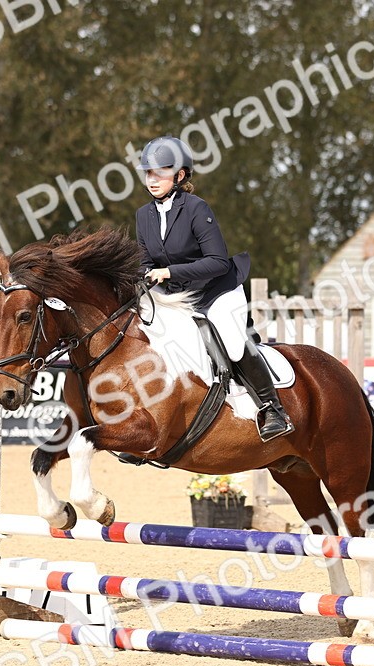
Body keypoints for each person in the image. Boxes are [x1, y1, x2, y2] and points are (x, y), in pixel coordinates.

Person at [135, 136, 293, 442]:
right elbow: (144, 260)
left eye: (160, 172)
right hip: (178, 297)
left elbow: (218, 262)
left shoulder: (196, 208)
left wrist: (168, 272)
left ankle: (273, 408)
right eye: (148, 173)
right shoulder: (143, 215)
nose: (152, 180)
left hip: (217, 290)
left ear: (180, 175)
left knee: (233, 342)